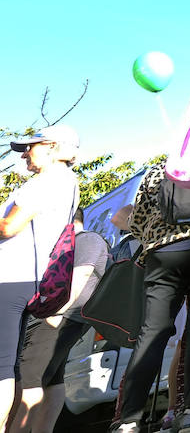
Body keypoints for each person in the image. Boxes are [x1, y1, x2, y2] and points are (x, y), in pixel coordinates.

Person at [107, 164, 190, 433]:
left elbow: (139, 216)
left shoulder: (163, 168)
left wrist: (155, 239)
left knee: (152, 331)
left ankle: (129, 419)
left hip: (164, 250)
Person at [1, 126, 81, 427]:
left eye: (29, 147)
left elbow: (9, 227)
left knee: (1, 368)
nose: (24, 154)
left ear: (50, 146)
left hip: (8, 278)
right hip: (30, 280)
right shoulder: (68, 183)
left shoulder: (46, 180)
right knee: (8, 366)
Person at [12, 207, 106, 433]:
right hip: (62, 317)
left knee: (30, 377)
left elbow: (81, 278)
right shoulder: (77, 242)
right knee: (53, 376)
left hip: (60, 317)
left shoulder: (85, 239)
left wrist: (54, 315)